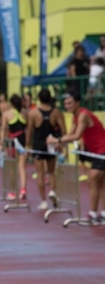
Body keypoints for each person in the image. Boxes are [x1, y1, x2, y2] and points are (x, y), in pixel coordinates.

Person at [47, 91, 105, 225]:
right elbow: (70, 134)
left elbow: (77, 136)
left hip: (102, 150)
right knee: (101, 182)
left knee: (93, 178)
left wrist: (57, 140)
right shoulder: (75, 116)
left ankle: (92, 215)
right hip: (97, 152)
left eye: (70, 103)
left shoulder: (83, 115)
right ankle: (102, 215)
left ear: (77, 103)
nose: (67, 106)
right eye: (65, 103)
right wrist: (59, 143)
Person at [27, 89, 67, 210]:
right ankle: (52, 192)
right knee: (51, 172)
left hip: (38, 145)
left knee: (40, 173)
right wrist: (61, 143)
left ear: (39, 99)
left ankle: (43, 201)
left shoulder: (33, 113)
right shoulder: (56, 112)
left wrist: (28, 146)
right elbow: (63, 129)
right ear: (50, 98)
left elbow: (29, 131)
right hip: (51, 144)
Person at [0, 94, 29, 199]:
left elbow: (3, 129)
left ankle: (12, 191)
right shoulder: (25, 113)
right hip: (22, 140)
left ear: (10, 103)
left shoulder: (6, 114)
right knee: (22, 167)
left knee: (12, 167)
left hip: (12, 141)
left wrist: (1, 143)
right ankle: (23, 189)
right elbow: (28, 129)